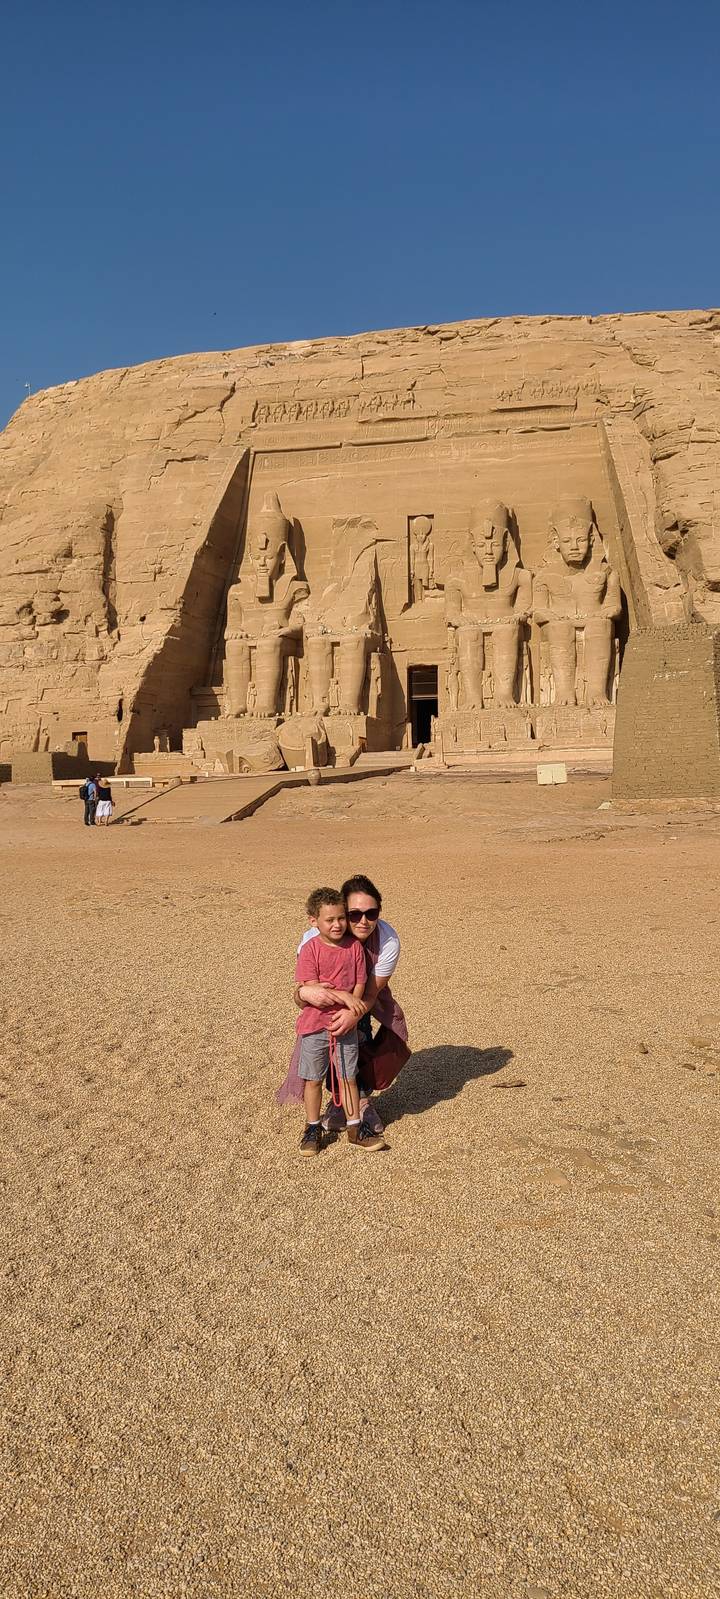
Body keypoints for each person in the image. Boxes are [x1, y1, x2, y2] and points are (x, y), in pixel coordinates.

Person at [296, 873, 409, 1137]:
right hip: (322, 1008)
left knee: (360, 1042)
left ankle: (359, 1102)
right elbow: (301, 991)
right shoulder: (316, 937)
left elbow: (370, 992)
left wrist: (352, 1013)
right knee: (321, 1052)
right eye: (354, 914)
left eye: (371, 913)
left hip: (363, 997)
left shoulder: (388, 939)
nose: (363, 921)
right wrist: (305, 993)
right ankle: (337, 1105)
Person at [293, 887, 385, 1158]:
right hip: (314, 1025)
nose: (337, 925)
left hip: (345, 1026)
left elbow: (360, 982)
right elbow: (311, 988)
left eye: (341, 919)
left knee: (348, 1077)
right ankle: (312, 1127)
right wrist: (343, 996)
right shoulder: (310, 950)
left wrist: (352, 1009)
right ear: (314, 921)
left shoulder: (355, 948)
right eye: (329, 920)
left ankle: (356, 1127)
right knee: (312, 1078)